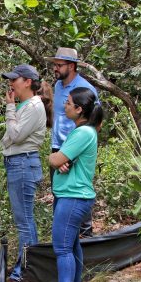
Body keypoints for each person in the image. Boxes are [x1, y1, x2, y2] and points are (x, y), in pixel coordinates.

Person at [39, 87, 103, 282]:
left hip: (73, 197)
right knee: (72, 245)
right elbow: (62, 159)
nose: (63, 106)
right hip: (74, 196)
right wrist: (61, 160)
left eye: (68, 103)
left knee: (62, 248)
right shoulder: (84, 132)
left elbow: (55, 157)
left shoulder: (83, 133)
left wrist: (55, 159)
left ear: (79, 109)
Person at [0, 64, 48, 282]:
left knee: (24, 222)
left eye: (15, 80)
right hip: (19, 163)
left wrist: (10, 108)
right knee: (26, 220)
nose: (11, 85)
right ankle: (30, 269)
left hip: (22, 163)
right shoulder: (27, 105)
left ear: (27, 82)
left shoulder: (34, 106)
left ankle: (24, 273)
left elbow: (15, 135)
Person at [49, 47, 97, 237]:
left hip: (74, 152)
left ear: (71, 66)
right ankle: (64, 241)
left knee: (76, 196)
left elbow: (95, 121)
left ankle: (86, 242)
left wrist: (71, 158)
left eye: (59, 65)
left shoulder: (85, 89)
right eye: (55, 65)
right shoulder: (58, 87)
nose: (55, 68)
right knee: (59, 195)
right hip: (58, 147)